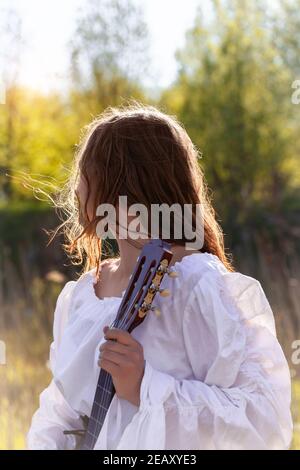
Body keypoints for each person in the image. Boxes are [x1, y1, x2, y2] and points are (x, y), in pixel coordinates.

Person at [26, 102, 293, 450]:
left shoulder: (197, 285)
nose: (76, 186)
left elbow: (263, 421)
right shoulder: (81, 296)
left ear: (126, 184)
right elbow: (59, 412)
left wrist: (145, 388)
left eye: (88, 170)